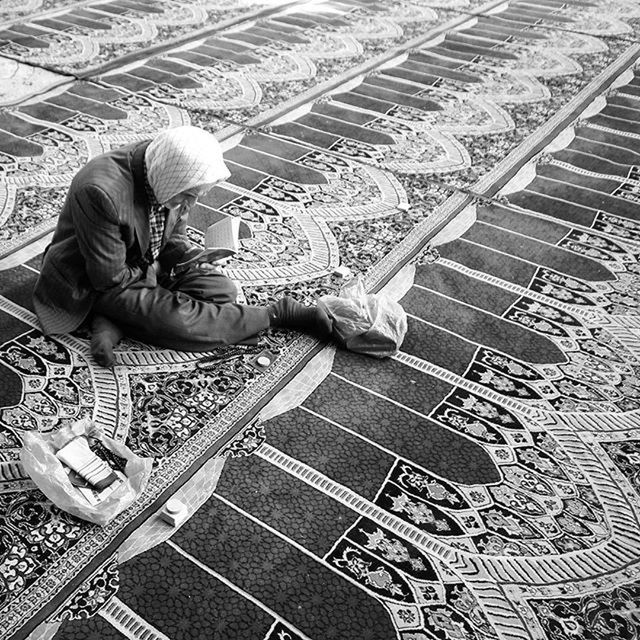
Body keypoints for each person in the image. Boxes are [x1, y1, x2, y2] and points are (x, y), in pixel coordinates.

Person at [33, 126, 332, 367]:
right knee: (181, 322)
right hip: (93, 281)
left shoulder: (168, 166)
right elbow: (108, 277)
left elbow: (173, 238)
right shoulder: (100, 192)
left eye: (196, 195)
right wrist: (156, 270)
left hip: (141, 265)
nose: (191, 204)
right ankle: (276, 315)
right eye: (188, 196)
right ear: (169, 181)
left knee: (220, 291)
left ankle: (117, 320)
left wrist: (191, 258)